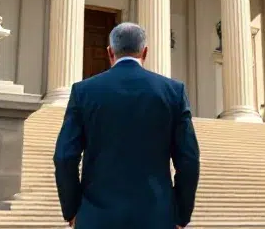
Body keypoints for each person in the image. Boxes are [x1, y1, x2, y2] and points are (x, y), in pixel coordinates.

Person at [54, 22, 200, 228]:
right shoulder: (173, 92)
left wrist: (72, 210)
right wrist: (181, 214)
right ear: (145, 52)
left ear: (109, 52)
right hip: (157, 218)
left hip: (96, 219)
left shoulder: (83, 91)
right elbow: (189, 160)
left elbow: (64, 157)